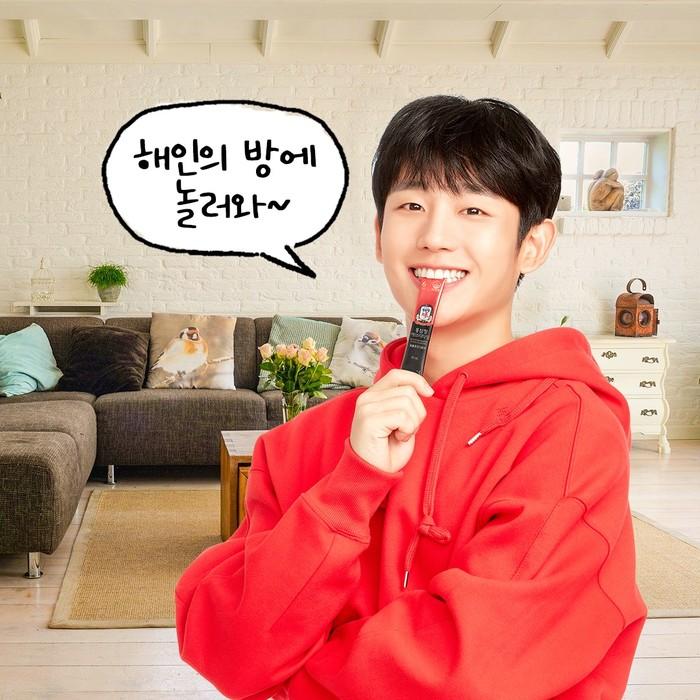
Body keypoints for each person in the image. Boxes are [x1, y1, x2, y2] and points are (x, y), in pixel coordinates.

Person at [174, 95, 648, 699]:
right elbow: (228, 650)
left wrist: (293, 679)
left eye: (473, 209)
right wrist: (349, 486)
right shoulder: (300, 444)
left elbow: (477, 668)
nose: (435, 237)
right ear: (379, 235)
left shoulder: (570, 429)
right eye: (412, 205)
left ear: (533, 244)